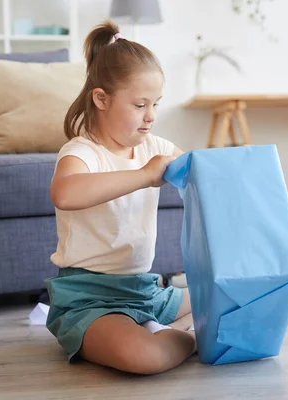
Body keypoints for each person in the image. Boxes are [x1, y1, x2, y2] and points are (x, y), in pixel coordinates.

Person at [44, 20, 196, 375]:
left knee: (232, 300)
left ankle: (170, 331)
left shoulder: (155, 146)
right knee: (145, 357)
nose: (151, 117)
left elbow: (198, 172)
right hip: (88, 298)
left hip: (145, 290)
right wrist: (144, 176)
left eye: (156, 104)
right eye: (140, 105)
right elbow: (64, 193)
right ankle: (188, 337)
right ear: (101, 99)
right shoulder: (81, 152)